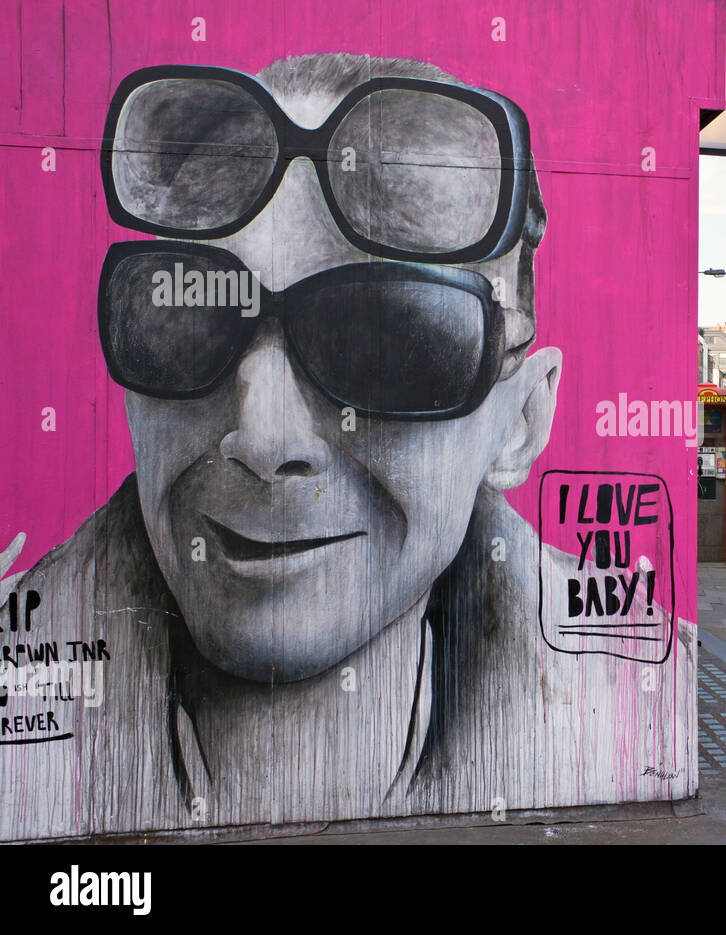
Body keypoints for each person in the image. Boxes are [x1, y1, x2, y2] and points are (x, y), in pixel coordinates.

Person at [0, 54, 691, 840]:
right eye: (185, 322)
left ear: (519, 423)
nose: (263, 437)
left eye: (387, 342)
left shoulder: (649, 703)